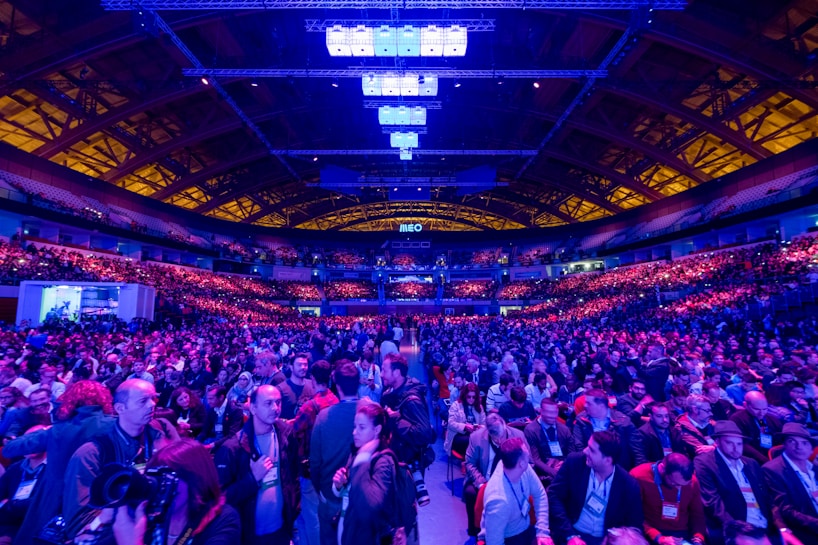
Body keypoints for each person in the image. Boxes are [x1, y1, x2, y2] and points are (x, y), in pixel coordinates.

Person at [1, 380, 115, 545]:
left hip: (53, 501)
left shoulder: (57, 430)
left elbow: (9, 449)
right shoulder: (113, 425)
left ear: (70, 400)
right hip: (95, 501)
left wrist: (45, 431)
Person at [63, 379, 159, 533]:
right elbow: (79, 522)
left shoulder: (159, 438)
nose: (152, 404)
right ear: (120, 408)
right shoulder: (92, 453)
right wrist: (113, 514)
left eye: (153, 398)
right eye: (143, 401)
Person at [108, 439, 241, 545]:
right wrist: (103, 520)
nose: (159, 487)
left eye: (166, 479)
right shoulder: (150, 518)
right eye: (155, 478)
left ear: (195, 481)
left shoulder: (223, 519)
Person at [215, 384, 300, 545]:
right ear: (253, 408)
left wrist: (293, 514)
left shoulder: (286, 434)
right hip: (249, 536)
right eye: (268, 403)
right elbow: (219, 499)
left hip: (281, 530)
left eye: (278, 402)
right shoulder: (232, 448)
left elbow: (293, 476)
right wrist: (252, 479)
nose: (275, 408)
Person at [693, 421, 790, 545]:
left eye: (739, 443)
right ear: (717, 441)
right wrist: (738, 532)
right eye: (729, 443)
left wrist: (781, 526)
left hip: (765, 525)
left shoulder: (751, 464)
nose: (736, 448)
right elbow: (713, 502)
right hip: (735, 528)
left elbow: (768, 498)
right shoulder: (705, 463)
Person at [332, 402, 411, 545]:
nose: (354, 432)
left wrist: (361, 459)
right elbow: (350, 491)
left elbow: (369, 507)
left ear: (377, 430)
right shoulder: (356, 453)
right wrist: (339, 485)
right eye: (355, 427)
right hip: (350, 530)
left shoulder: (383, 462)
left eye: (361, 427)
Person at [547, 431, 644, 545]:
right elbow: (554, 495)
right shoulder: (575, 463)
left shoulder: (629, 485)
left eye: (592, 450)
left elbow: (634, 524)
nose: (585, 451)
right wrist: (570, 535)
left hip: (605, 540)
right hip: (569, 531)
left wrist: (614, 538)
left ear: (607, 460)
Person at [310, 361, 359, 545]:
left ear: (337, 386)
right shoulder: (371, 412)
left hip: (330, 496)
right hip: (360, 497)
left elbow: (315, 463)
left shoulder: (323, 417)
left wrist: (321, 490)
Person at [292, 360, 338, 545]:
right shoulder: (334, 400)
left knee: (310, 515)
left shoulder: (310, 406)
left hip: (310, 466)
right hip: (330, 463)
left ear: (312, 378)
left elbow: (294, 430)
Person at [479, 437, 553, 545]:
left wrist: (542, 532)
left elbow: (540, 494)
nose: (529, 456)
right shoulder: (499, 501)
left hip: (525, 528)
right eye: (527, 454)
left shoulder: (523, 468)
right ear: (521, 463)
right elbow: (494, 542)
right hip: (507, 537)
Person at [465, 410, 525, 538]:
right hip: (484, 480)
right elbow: (470, 464)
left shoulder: (518, 436)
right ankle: (476, 531)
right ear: (487, 431)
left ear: (505, 425)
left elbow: (528, 462)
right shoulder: (476, 437)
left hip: (511, 480)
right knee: (470, 493)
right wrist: (481, 484)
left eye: (501, 437)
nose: (499, 441)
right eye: (495, 438)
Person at [629, 453, 707, 545]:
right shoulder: (639, 476)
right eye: (674, 483)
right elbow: (634, 516)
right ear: (662, 468)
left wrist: (698, 538)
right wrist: (658, 538)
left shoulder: (692, 481)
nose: (678, 488)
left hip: (682, 534)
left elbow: (697, 514)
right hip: (651, 533)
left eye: (682, 485)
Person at [761, 422, 818, 544]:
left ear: (811, 448)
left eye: (804, 443)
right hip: (803, 529)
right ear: (784, 444)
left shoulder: (813, 467)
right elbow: (786, 510)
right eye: (792, 441)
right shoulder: (773, 470)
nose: (799, 447)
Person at [381, 352, 434, 475]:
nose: (381, 374)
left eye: (384, 370)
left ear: (396, 372)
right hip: (395, 458)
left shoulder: (412, 401)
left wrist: (396, 419)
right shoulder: (390, 393)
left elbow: (424, 434)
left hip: (408, 466)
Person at [0, 425, 47, 545]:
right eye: (26, 440)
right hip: (9, 523)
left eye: (33, 441)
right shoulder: (16, 468)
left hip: (36, 527)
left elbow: (40, 503)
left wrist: (11, 505)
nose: (28, 445)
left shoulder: (53, 470)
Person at [572, 389, 635, 468]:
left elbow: (636, 448)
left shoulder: (623, 421)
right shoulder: (581, 420)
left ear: (601, 406)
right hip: (590, 464)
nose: (585, 405)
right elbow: (578, 446)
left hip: (618, 466)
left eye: (588, 403)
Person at [524, 399, 574, 483]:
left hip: (563, 470)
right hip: (541, 474)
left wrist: (563, 465)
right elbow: (535, 459)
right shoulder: (530, 430)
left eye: (554, 412)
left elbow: (571, 453)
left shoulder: (564, 429)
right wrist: (555, 473)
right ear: (541, 411)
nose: (552, 416)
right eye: (548, 412)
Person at [729, 391, 783, 464]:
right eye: (757, 409)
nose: (762, 413)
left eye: (765, 409)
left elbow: (780, 438)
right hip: (752, 460)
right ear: (745, 405)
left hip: (773, 457)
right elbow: (743, 444)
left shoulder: (771, 419)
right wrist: (765, 460)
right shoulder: (737, 419)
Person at [444, 382, 485, 457]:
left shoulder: (479, 407)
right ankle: (471, 460)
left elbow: (484, 423)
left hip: (474, 434)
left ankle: (476, 461)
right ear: (464, 396)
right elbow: (451, 423)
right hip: (458, 435)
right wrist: (464, 427)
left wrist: (480, 427)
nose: (471, 399)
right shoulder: (456, 405)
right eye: (469, 397)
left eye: (474, 397)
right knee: (472, 441)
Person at [197, 384, 244, 451]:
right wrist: (196, 442)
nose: (208, 402)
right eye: (207, 399)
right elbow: (205, 430)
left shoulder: (235, 410)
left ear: (221, 397)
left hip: (228, 444)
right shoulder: (212, 409)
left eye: (211, 399)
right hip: (213, 439)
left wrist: (212, 445)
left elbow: (232, 435)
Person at [277, 353, 314, 420]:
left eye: (305, 365)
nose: (303, 367)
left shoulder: (312, 384)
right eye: (299, 365)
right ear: (291, 367)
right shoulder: (281, 389)